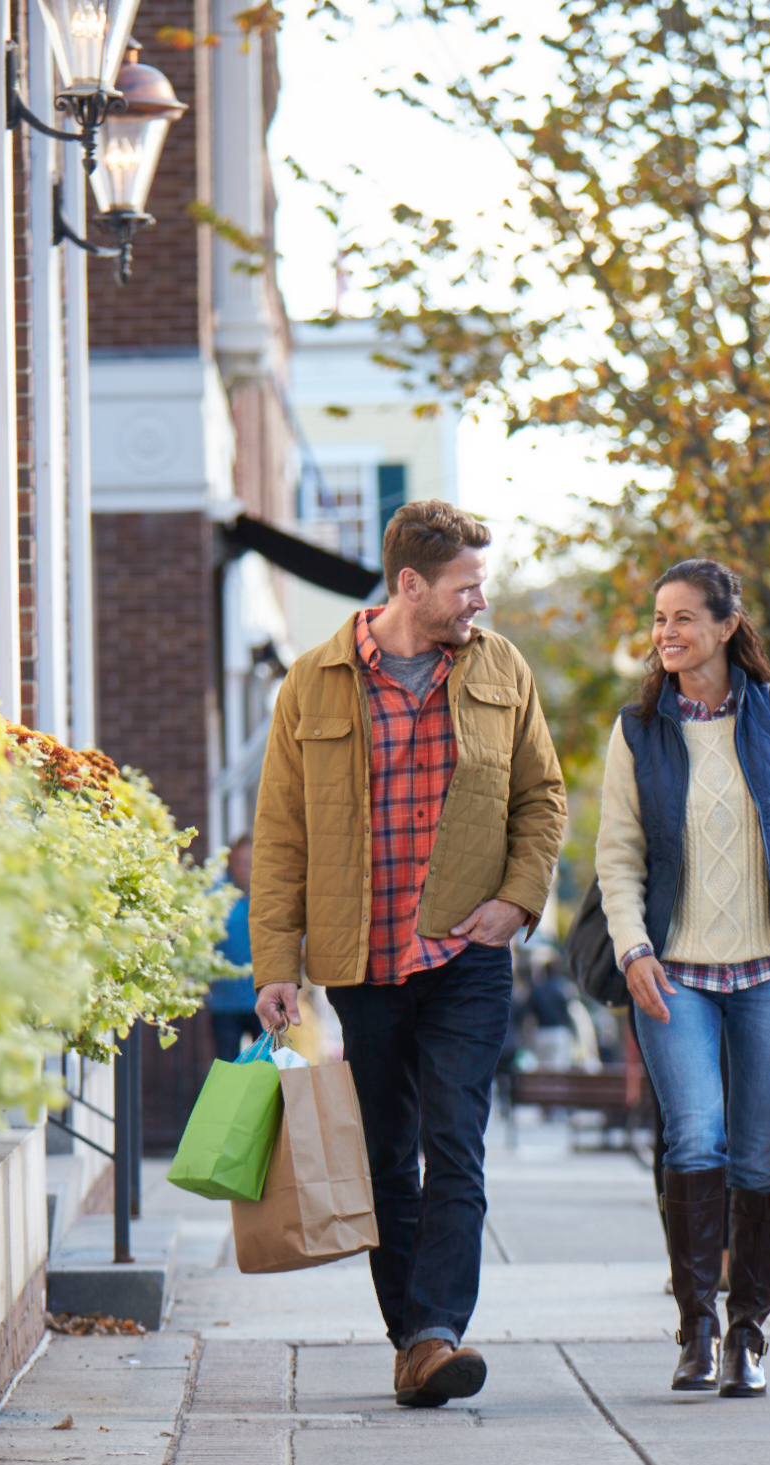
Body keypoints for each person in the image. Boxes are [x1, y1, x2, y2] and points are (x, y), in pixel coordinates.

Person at [250, 499, 567, 1408]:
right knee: (388, 1157)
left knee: (453, 1142)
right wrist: (277, 962)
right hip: (362, 960)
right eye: (466, 586)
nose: (480, 602)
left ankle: (436, 1332)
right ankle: (412, 1342)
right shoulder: (311, 683)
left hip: (466, 954)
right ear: (410, 584)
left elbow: (542, 797)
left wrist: (518, 899)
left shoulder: (501, 668)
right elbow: (280, 838)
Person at [596, 559, 770, 1398]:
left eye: (683, 618)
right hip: (673, 975)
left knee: (756, 1152)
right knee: (693, 1139)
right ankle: (697, 1325)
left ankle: (749, 1331)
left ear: (724, 625)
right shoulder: (638, 729)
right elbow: (618, 856)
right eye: (658, 621)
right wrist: (634, 949)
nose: (667, 634)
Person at [207, 835, 262, 1057]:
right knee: (226, 1068)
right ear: (231, 864)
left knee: (266, 1070)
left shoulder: (269, 896)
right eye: (240, 862)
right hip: (224, 1003)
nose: (245, 869)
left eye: (251, 863)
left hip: (262, 1001)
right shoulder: (216, 897)